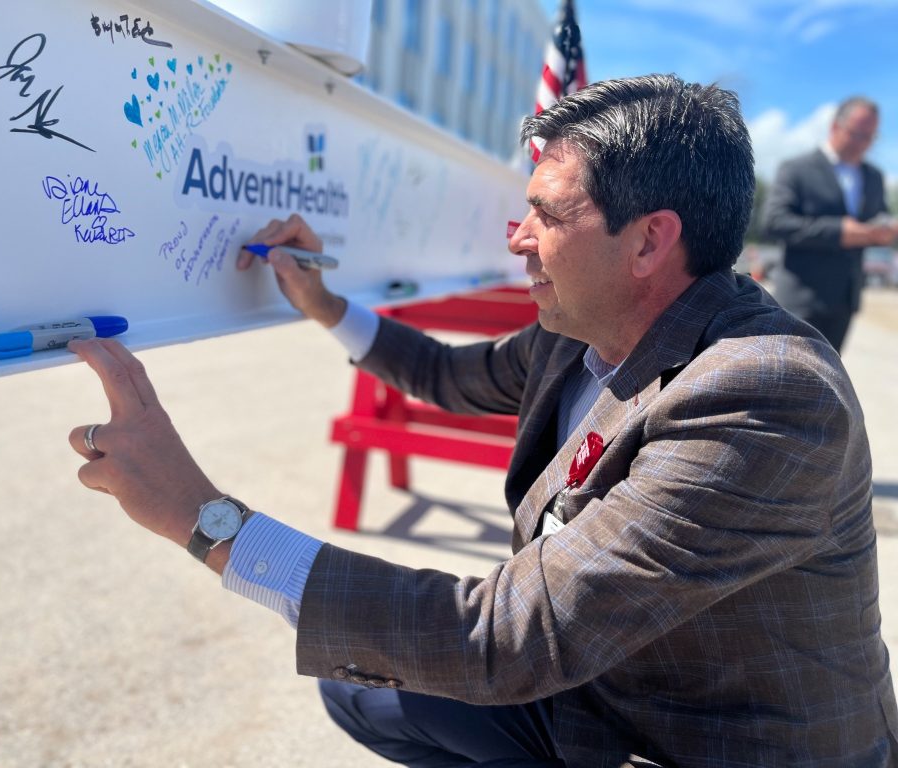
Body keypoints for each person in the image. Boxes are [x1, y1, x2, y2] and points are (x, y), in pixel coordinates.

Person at [66, 75, 898, 766]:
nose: (518, 239)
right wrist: (324, 304)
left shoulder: (766, 395)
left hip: (712, 744)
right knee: (364, 684)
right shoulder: (585, 330)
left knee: (404, 659)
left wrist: (203, 519)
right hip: (609, 687)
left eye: (545, 213)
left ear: (648, 242)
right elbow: (444, 374)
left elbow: (506, 637)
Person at [763, 96, 898, 352]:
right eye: (857, 134)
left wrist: (885, 230)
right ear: (835, 126)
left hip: (845, 299)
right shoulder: (797, 169)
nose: (863, 145)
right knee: (787, 380)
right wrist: (839, 232)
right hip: (800, 299)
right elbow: (774, 221)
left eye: (870, 138)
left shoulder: (874, 177)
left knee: (827, 380)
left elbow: (879, 216)